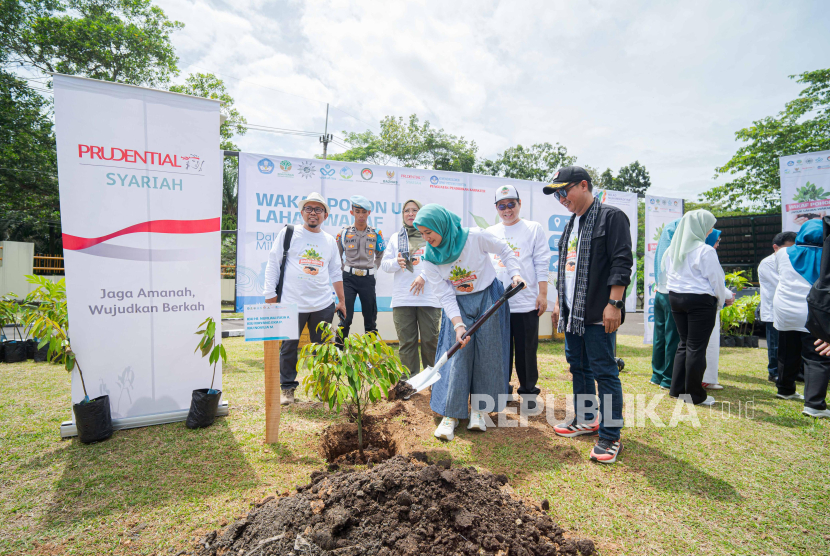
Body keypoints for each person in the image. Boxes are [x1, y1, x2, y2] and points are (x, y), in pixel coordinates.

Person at [410, 204, 524, 441]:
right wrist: (458, 324)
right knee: (458, 356)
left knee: (488, 354)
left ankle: (479, 411)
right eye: (421, 234)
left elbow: (504, 249)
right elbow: (444, 294)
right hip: (458, 303)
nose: (426, 238)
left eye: (428, 232)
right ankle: (451, 414)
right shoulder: (430, 259)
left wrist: (514, 273)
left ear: (441, 226)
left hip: (488, 296)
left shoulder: (475, 237)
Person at [545, 166, 633, 465]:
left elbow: (621, 262)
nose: (560, 198)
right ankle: (586, 419)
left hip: (599, 311)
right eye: (556, 194)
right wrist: (559, 303)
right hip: (573, 313)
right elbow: (565, 269)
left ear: (583, 185)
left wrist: (615, 304)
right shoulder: (572, 224)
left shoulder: (612, 217)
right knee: (578, 367)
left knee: (604, 371)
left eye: (563, 191)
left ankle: (610, 436)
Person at [263, 192, 346, 405]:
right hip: (292, 303)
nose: (313, 213)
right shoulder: (289, 233)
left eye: (318, 210)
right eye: (309, 209)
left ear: (325, 215)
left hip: (322, 304)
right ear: (302, 212)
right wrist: (270, 295)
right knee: (289, 347)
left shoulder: (329, 241)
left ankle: (322, 388)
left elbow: (336, 272)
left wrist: (342, 300)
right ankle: (288, 389)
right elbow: (274, 262)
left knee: (322, 349)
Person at [488, 184, 549, 405]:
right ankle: (501, 390)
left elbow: (542, 262)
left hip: (526, 303)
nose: (507, 210)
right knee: (500, 351)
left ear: (519, 204)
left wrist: (542, 294)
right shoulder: (491, 232)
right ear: (496, 208)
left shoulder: (533, 228)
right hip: (498, 304)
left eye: (511, 204)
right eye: (501, 206)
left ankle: (528, 391)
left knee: (526, 352)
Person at [664, 210, 732, 407]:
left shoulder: (672, 249)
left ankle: (677, 390)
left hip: (675, 298)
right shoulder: (705, 250)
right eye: (709, 226)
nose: (711, 230)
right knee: (696, 347)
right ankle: (694, 395)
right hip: (700, 301)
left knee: (684, 344)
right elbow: (716, 280)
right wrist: (721, 301)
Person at [772, 219, 829, 416]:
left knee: (787, 351)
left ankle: (785, 390)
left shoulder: (783, 253)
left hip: (785, 309)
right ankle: (814, 404)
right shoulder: (827, 256)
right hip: (812, 312)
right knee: (816, 357)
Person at [380, 199, 442, 376]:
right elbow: (384, 265)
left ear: (421, 213)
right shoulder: (395, 237)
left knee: (431, 340)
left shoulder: (432, 235)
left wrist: (423, 276)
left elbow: (440, 262)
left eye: (415, 210)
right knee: (407, 343)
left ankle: (433, 381)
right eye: (407, 210)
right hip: (403, 297)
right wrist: (395, 262)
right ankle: (410, 382)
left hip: (429, 297)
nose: (410, 213)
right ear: (403, 215)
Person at [336, 195, 385, 344]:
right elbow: (337, 254)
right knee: (346, 318)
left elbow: (381, 253)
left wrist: (374, 268)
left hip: (367, 279)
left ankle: (370, 358)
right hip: (348, 279)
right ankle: (339, 354)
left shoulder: (376, 233)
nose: (361, 215)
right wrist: (343, 271)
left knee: (370, 320)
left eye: (364, 212)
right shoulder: (344, 232)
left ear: (369, 213)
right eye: (357, 211)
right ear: (352, 213)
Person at [758, 232, 797, 382]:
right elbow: (783, 283)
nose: (792, 251)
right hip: (774, 310)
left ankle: (792, 372)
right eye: (788, 248)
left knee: (791, 345)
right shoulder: (768, 263)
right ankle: (774, 372)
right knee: (775, 345)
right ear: (776, 247)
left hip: (790, 308)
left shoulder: (793, 260)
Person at [650, 219, 680, 390]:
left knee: (660, 336)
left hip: (660, 292)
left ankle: (657, 375)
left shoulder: (665, 239)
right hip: (672, 293)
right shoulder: (678, 244)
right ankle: (668, 378)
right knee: (672, 337)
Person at [702, 229, 724, 390]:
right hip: (707, 303)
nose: (717, 245)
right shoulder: (707, 252)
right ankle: (705, 379)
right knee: (707, 344)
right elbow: (716, 281)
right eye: (717, 241)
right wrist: (724, 299)